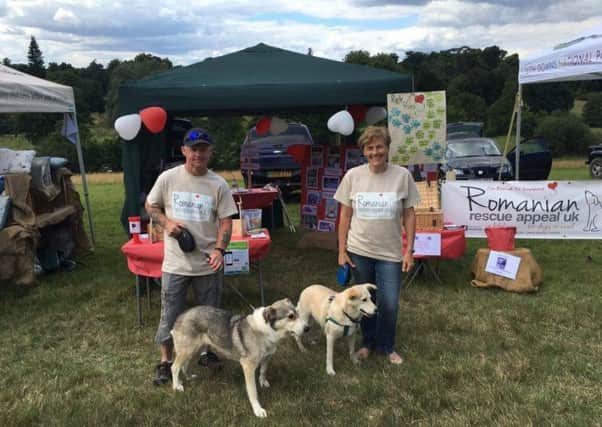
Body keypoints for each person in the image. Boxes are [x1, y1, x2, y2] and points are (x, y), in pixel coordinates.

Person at [145, 127, 238, 385]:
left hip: (208, 265)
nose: (198, 153)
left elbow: (226, 222)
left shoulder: (218, 184)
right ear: (184, 150)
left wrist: (220, 249)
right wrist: (166, 222)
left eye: (203, 149)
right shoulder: (168, 178)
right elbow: (151, 205)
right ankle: (165, 362)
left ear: (211, 152)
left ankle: (207, 353)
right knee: (170, 315)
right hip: (175, 264)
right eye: (193, 149)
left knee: (210, 315)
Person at [334, 126, 420, 365]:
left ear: (387, 148)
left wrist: (409, 251)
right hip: (360, 250)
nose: (375, 152)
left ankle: (387, 345)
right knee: (366, 301)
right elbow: (344, 216)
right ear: (364, 150)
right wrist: (342, 251)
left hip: (391, 253)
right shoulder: (353, 176)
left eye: (379, 147)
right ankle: (368, 342)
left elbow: (410, 215)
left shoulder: (402, 176)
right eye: (370, 148)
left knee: (389, 303)